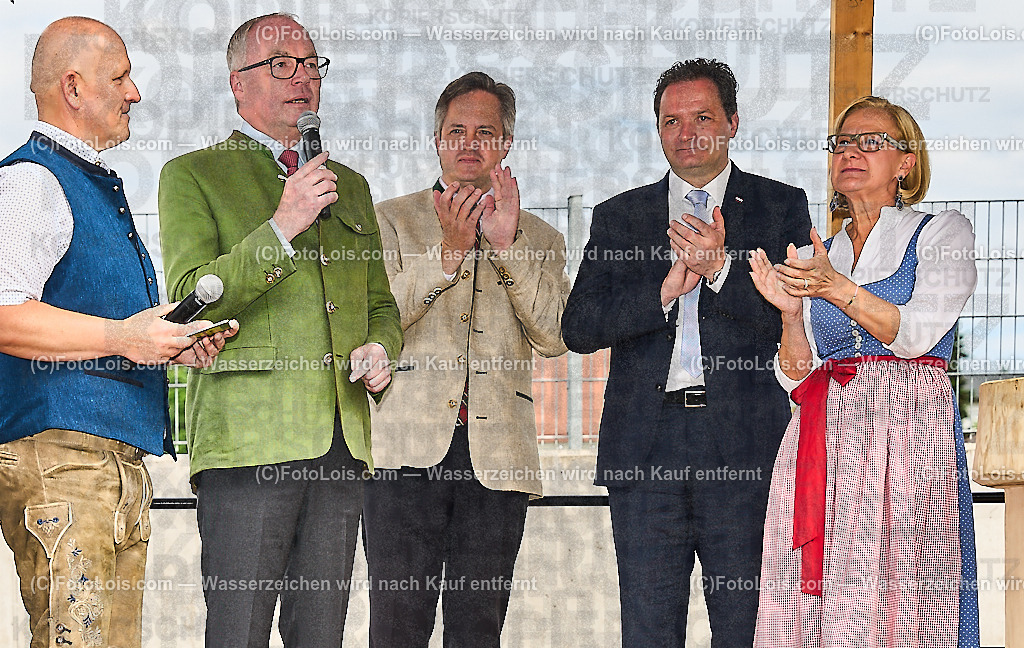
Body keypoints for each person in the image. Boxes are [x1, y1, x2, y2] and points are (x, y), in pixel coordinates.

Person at [157, 12, 402, 647]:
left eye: (312, 65)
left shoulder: (350, 186)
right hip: (248, 445)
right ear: (237, 84)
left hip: (341, 448)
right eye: (281, 66)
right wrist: (281, 225)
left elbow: (379, 305)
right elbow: (188, 301)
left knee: (320, 636)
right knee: (238, 634)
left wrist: (381, 349)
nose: (303, 79)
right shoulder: (195, 175)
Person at [0, 16, 235, 648]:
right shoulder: (32, 181)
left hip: (108, 464)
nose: (135, 93)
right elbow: (3, 315)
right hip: (63, 462)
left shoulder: (85, 185)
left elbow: (109, 330)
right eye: (121, 77)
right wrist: (126, 338)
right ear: (73, 89)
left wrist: (168, 342)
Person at [561, 58, 812, 646]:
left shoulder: (780, 207)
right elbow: (579, 328)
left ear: (732, 123)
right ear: (657, 130)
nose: (687, 133)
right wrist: (664, 293)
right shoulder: (621, 217)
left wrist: (720, 269)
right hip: (646, 450)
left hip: (746, 451)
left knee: (746, 629)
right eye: (671, 120)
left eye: (703, 117)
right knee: (648, 630)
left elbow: (799, 321)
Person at [749, 95, 979, 647]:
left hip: (906, 439)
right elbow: (797, 378)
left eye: (871, 142)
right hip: (827, 440)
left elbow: (916, 334)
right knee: (830, 601)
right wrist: (789, 317)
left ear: (906, 163)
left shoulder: (942, 232)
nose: (851, 151)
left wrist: (835, 289)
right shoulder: (819, 253)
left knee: (910, 597)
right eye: (842, 143)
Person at [362, 71, 569, 647]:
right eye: (456, 130)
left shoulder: (541, 237)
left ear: (506, 143)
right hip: (404, 452)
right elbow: (373, 319)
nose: (470, 142)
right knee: (397, 627)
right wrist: (448, 255)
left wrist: (504, 247)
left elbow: (554, 335)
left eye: (486, 131)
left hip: (497, 458)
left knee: (478, 629)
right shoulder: (389, 220)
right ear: (437, 140)